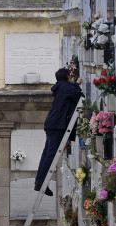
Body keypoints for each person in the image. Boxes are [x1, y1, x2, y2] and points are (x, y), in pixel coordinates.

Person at [35, 68, 84, 196]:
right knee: (50, 154)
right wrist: (78, 83)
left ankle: (40, 181)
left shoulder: (60, 87)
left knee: (46, 154)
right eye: (70, 76)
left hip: (53, 123)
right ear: (68, 76)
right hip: (57, 125)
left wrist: (75, 84)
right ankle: (41, 183)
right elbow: (79, 95)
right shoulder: (66, 88)